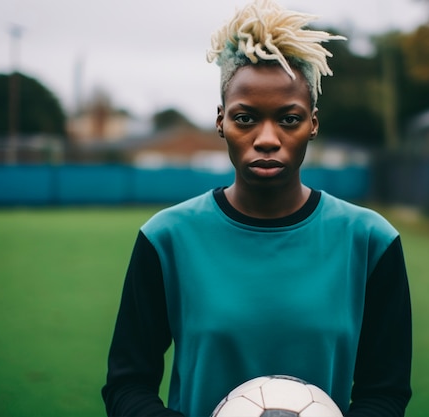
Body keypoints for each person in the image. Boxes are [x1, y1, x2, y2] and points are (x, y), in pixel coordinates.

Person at [101, 0, 412, 416]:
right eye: (246, 118)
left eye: (289, 119)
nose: (267, 138)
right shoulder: (166, 238)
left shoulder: (371, 241)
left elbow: (385, 391)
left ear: (313, 125)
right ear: (221, 122)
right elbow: (128, 383)